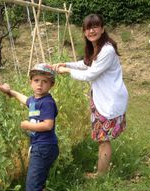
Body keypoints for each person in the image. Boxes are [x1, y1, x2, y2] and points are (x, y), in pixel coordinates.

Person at [52, 14, 128, 178]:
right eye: (88, 28)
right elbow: (87, 63)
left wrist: (66, 71)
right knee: (102, 138)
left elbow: (89, 74)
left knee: (104, 139)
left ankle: (100, 175)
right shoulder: (97, 47)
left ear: (102, 28)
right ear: (84, 31)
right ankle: (101, 172)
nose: (91, 30)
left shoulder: (107, 50)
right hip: (103, 98)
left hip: (109, 100)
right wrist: (67, 64)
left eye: (95, 26)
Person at [9, 63, 59, 191]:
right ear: (30, 82)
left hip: (44, 147)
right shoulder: (35, 100)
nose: (39, 84)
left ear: (51, 85)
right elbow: (25, 100)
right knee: (39, 180)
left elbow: (47, 125)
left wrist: (27, 125)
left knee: (33, 182)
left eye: (44, 81)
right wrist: (11, 92)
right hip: (41, 147)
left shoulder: (47, 103)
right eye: (36, 80)